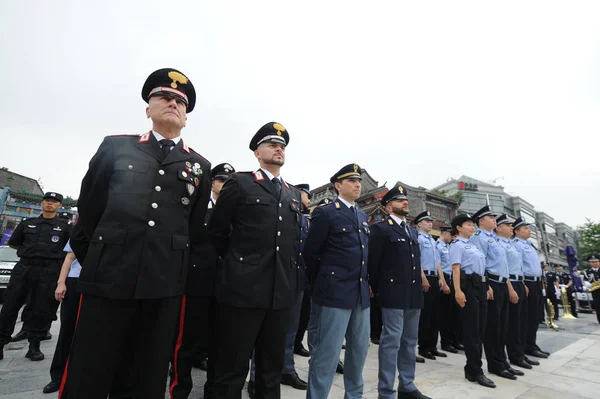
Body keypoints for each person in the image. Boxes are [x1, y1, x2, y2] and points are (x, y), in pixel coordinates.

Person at [60, 68, 212, 399]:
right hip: (108, 279)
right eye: (165, 97)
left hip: (162, 285)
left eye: (180, 102)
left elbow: (194, 229)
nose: (173, 103)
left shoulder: (199, 166)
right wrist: (102, 259)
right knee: (89, 370)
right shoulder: (116, 147)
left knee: (146, 374)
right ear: (148, 108)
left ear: (186, 117)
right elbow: (89, 213)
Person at [208, 122, 301, 399]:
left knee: (270, 369)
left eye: (282, 145)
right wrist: (240, 266)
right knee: (232, 367)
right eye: (272, 144)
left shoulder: (292, 192)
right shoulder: (241, 182)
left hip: (279, 294)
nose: (279, 148)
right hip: (243, 291)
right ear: (257, 153)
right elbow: (217, 232)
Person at [304, 163, 370, 399]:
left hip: (360, 294)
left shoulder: (362, 216)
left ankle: (354, 395)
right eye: (352, 181)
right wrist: (323, 282)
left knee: (359, 350)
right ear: (338, 185)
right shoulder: (327, 212)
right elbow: (311, 253)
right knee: (327, 353)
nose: (357, 184)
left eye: (359, 181)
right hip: (333, 292)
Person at [170, 162, 235, 399]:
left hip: (225, 286)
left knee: (219, 345)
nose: (224, 185)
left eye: (229, 182)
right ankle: (179, 390)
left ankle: (213, 392)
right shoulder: (198, 209)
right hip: (196, 284)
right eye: (220, 180)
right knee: (185, 342)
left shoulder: (237, 213)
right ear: (211, 183)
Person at [368, 183, 430, 399]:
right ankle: (386, 390)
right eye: (398, 200)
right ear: (387, 207)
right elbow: (373, 264)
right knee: (391, 341)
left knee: (410, 341)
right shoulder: (380, 229)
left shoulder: (412, 231)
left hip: (413, 294)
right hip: (392, 293)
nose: (405, 202)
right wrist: (377, 290)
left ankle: (407, 385)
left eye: (405, 200)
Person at [0, 192, 70, 361]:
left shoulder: (65, 227)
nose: (49, 204)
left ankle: (34, 346)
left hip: (49, 271)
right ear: (42, 203)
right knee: (10, 306)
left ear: (60, 206)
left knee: (42, 309)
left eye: (54, 202)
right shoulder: (27, 223)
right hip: (24, 268)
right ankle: (1, 343)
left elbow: (68, 250)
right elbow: (13, 243)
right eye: (47, 201)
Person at [470, 206, 517, 381]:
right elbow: (479, 263)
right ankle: (495, 364)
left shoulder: (494, 238)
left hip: (503, 283)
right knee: (493, 327)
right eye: (490, 217)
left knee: (503, 326)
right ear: (481, 221)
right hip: (491, 284)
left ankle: (502, 360)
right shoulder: (479, 238)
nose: (494, 219)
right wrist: (486, 284)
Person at [449, 214, 496, 388]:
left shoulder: (473, 245)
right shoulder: (457, 245)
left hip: (480, 287)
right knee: (472, 332)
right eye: (468, 224)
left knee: (480, 330)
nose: (472, 227)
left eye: (472, 224)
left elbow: (482, 268)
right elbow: (455, 269)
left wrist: (487, 286)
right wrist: (458, 291)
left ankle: (471, 368)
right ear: (459, 228)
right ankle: (476, 371)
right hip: (467, 288)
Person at [512, 217, 550, 360]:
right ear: (517, 231)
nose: (528, 231)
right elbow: (518, 266)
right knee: (526, 317)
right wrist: (523, 284)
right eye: (525, 229)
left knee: (535, 316)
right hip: (526, 282)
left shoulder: (529, 244)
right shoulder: (517, 244)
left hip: (536, 282)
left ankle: (531, 344)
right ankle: (524, 346)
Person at [415, 211, 449, 360]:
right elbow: (417, 260)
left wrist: (441, 278)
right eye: (427, 221)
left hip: (435, 278)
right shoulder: (419, 239)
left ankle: (433, 346)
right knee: (426, 314)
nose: (430, 223)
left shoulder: (433, 241)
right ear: (419, 224)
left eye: (431, 221)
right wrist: (423, 278)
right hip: (425, 277)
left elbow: (438, 262)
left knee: (436, 313)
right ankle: (423, 347)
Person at [294, 184, 313, 358]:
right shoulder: (294, 216)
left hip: (304, 274)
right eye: (307, 195)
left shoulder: (306, 221)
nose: (309, 200)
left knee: (303, 314)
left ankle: (297, 342)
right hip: (290, 273)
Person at [437, 225, 462, 353]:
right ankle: (446, 342)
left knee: (454, 312)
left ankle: (455, 340)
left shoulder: (448, 246)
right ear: (445, 233)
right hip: (445, 278)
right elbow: (438, 264)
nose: (452, 237)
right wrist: (443, 281)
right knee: (445, 314)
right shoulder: (438, 245)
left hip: (452, 279)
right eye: (450, 234)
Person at [584, 255, 600, 324]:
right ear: (590, 263)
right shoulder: (587, 271)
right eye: (592, 262)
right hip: (595, 292)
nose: (595, 263)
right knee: (598, 308)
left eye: (596, 261)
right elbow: (585, 280)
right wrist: (586, 283)